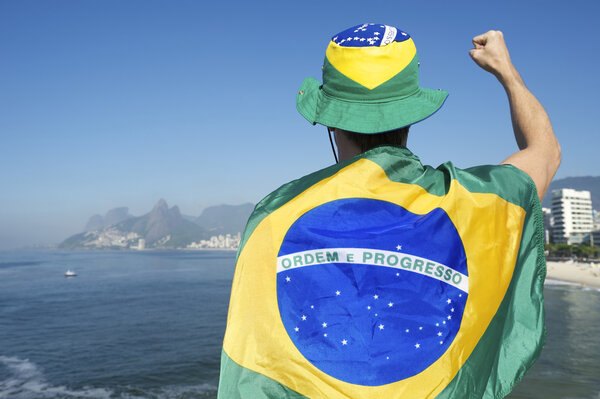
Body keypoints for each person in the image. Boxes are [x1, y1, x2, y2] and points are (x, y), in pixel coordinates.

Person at [218, 24, 560, 399]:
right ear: (411, 114)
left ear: (331, 122)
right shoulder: (477, 204)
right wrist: (506, 71)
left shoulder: (274, 214)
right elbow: (544, 151)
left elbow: (256, 363)